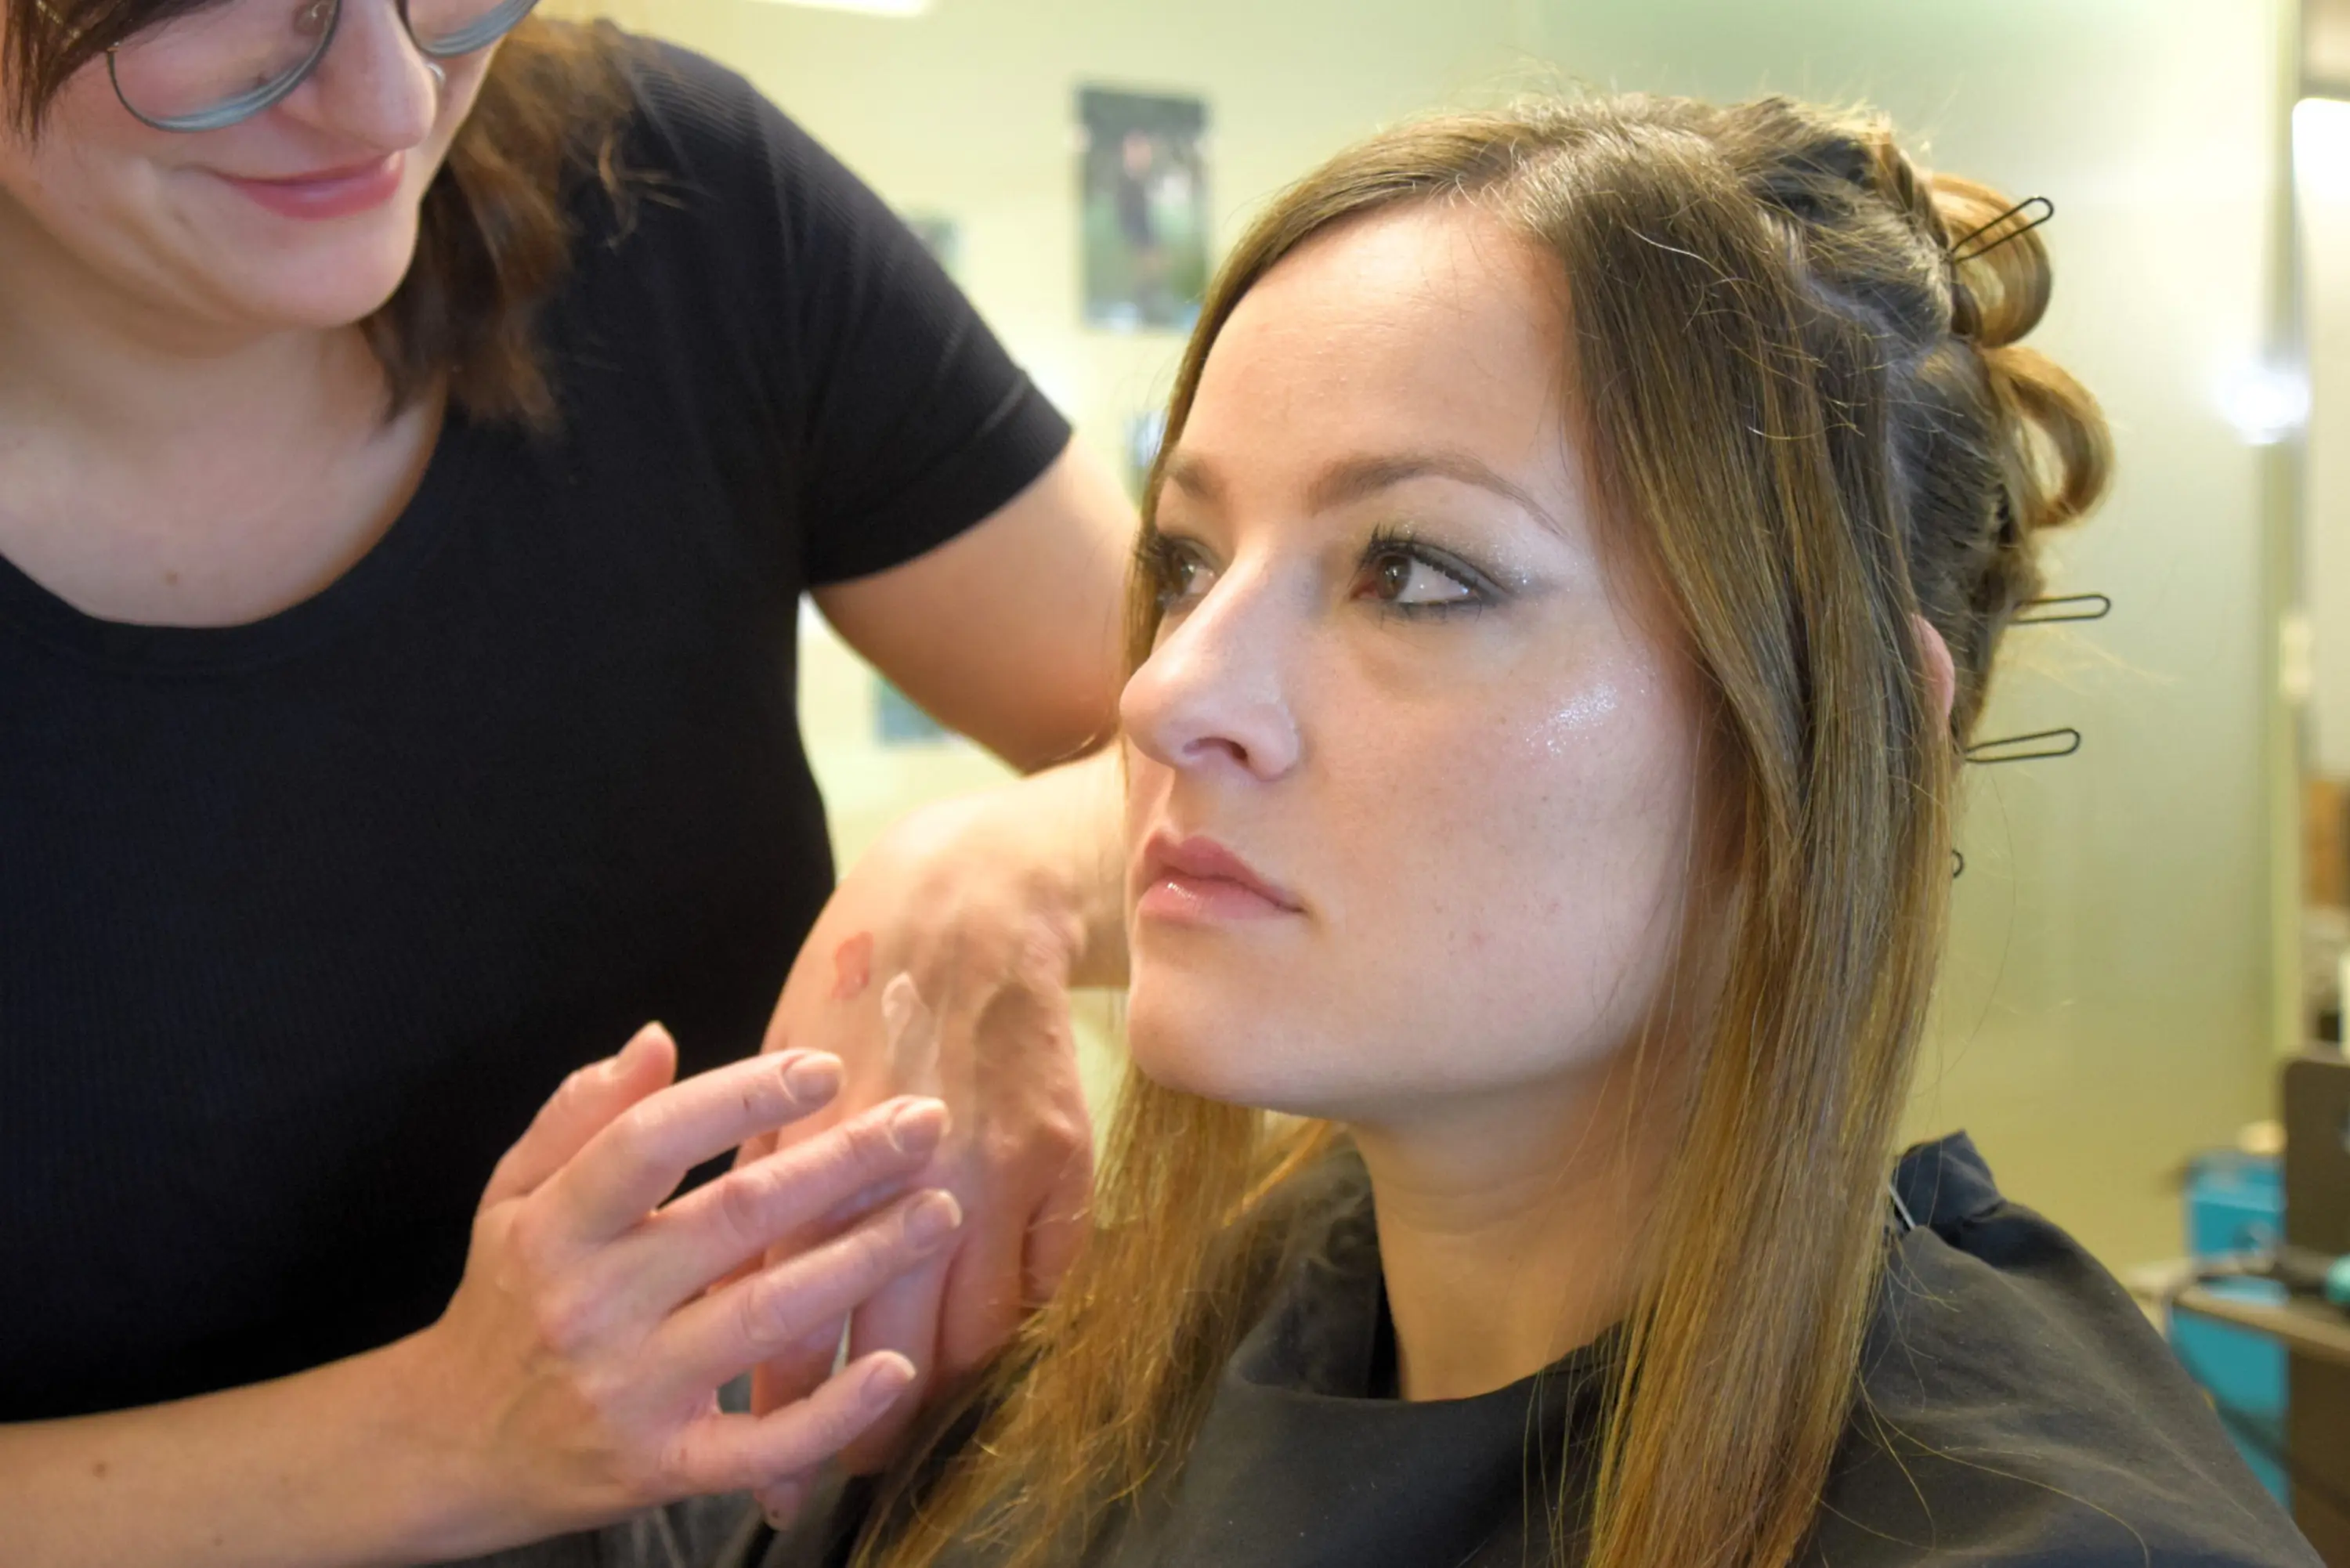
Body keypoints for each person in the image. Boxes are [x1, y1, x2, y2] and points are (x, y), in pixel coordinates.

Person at [748, 93, 2326, 1568]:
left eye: (1416, 572)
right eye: (1185, 560)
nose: (1167, 691)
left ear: (1842, 738)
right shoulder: (1092, 1384)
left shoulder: (2048, 1532)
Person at [0, 0, 1133, 1561]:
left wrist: (999, 874)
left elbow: (1239, 746)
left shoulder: (672, 200)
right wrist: (445, 1433)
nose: (388, 100)